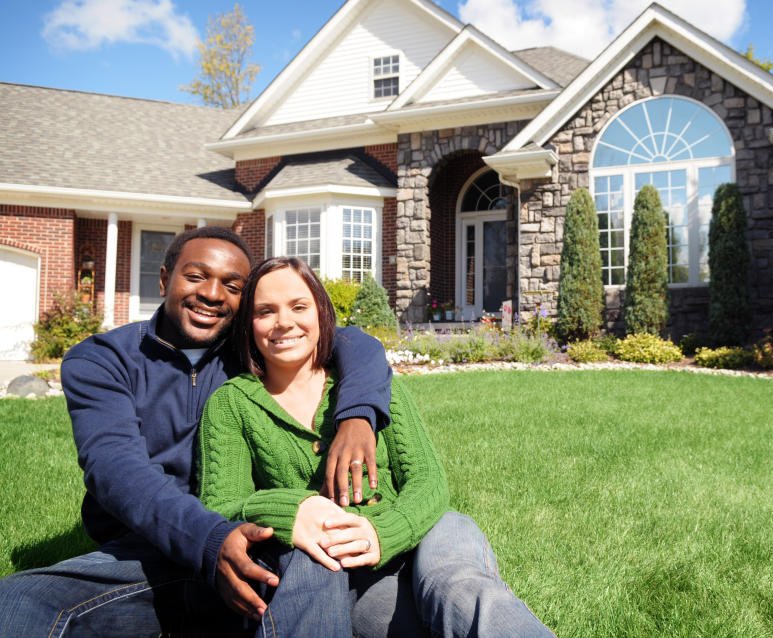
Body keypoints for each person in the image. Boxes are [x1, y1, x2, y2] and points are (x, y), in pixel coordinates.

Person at [0, 227, 392, 637]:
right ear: (165, 277)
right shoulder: (103, 360)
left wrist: (357, 415)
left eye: (232, 285)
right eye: (196, 276)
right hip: (147, 552)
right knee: (17, 601)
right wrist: (208, 539)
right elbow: (114, 469)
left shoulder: (253, 353)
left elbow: (355, 344)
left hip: (259, 542)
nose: (212, 293)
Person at [196, 256, 555, 638]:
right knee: (403, 627)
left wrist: (384, 531)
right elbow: (223, 505)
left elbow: (428, 480)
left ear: (320, 312)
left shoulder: (371, 384)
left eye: (298, 306)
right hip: (354, 574)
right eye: (265, 311)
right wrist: (292, 509)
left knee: (458, 590)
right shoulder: (232, 404)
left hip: (426, 529)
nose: (284, 322)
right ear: (248, 326)